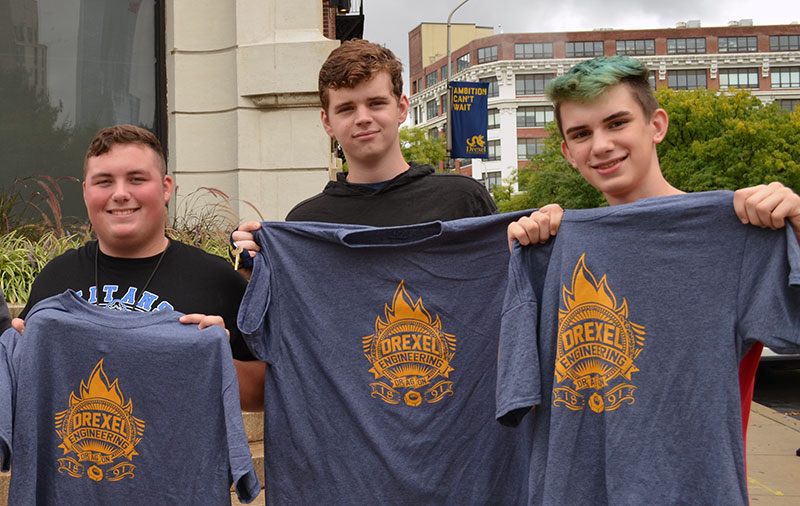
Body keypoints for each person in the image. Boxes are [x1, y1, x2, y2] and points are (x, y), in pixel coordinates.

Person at [505, 55, 800, 449]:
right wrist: (531, 251)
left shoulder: (737, 236)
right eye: (581, 134)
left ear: (656, 125)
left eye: (617, 123)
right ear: (567, 153)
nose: (602, 145)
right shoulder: (552, 247)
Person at [231, 39, 498, 409]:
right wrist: (253, 267)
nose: (362, 118)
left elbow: (503, 309)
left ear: (402, 108)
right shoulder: (306, 223)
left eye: (376, 103)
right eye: (346, 108)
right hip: (350, 424)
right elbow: (285, 342)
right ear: (327, 121)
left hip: (452, 416)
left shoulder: (463, 199)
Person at [11, 125, 264, 410]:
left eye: (136, 179)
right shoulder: (55, 278)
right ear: (85, 192)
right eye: (104, 181)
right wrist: (17, 358)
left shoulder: (219, 281)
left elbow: (266, 393)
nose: (120, 194)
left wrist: (217, 363)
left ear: (166, 188)